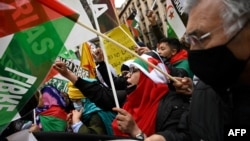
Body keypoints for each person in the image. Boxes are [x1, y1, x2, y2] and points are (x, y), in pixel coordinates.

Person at [147, 0, 250, 140]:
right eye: (190, 41)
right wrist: (166, 138)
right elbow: (193, 132)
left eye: (199, 39)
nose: (192, 51)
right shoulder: (202, 92)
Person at [53, 51, 190, 140]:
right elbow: (102, 95)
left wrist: (136, 132)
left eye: (134, 70)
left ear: (148, 75)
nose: (128, 75)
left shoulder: (174, 106)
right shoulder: (129, 98)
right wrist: (69, 75)